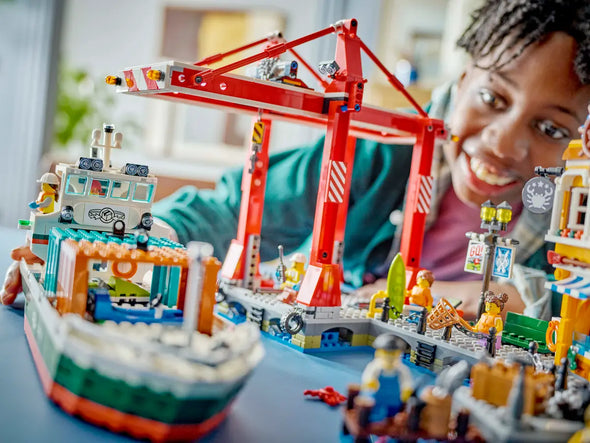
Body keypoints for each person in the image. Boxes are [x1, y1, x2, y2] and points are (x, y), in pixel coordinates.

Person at [3, 0, 590, 321]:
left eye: (549, 128)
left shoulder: (572, 226)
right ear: (461, 83)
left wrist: (473, 299)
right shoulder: (376, 157)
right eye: (492, 98)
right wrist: (114, 248)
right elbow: (219, 211)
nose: (503, 145)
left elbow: (568, 303)